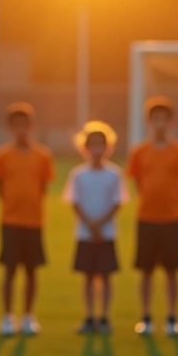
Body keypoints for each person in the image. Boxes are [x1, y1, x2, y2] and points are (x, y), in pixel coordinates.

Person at [126, 97, 178, 337]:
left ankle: (172, 317)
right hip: (146, 218)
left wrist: (173, 202)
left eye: (164, 119)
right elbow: (137, 182)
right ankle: (146, 317)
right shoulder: (139, 152)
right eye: (155, 119)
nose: (160, 124)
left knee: (172, 271)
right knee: (146, 270)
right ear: (148, 122)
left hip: (172, 218)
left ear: (171, 122)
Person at [0, 103, 54, 337]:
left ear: (32, 127)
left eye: (25, 125)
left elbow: (43, 187)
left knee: (31, 271)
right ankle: (8, 316)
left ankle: (28, 316)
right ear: (9, 128)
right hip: (10, 221)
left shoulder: (42, 156)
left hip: (34, 221)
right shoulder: (2, 156)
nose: (21, 130)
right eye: (16, 126)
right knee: (9, 270)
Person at [64, 121, 127, 336]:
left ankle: (105, 316)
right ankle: (90, 316)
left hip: (106, 233)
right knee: (88, 276)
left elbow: (117, 202)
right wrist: (90, 225)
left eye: (101, 144)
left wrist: (100, 224)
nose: (97, 149)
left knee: (106, 276)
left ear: (108, 147)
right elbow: (74, 202)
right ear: (85, 148)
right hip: (85, 233)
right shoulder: (78, 174)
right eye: (93, 145)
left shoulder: (114, 174)